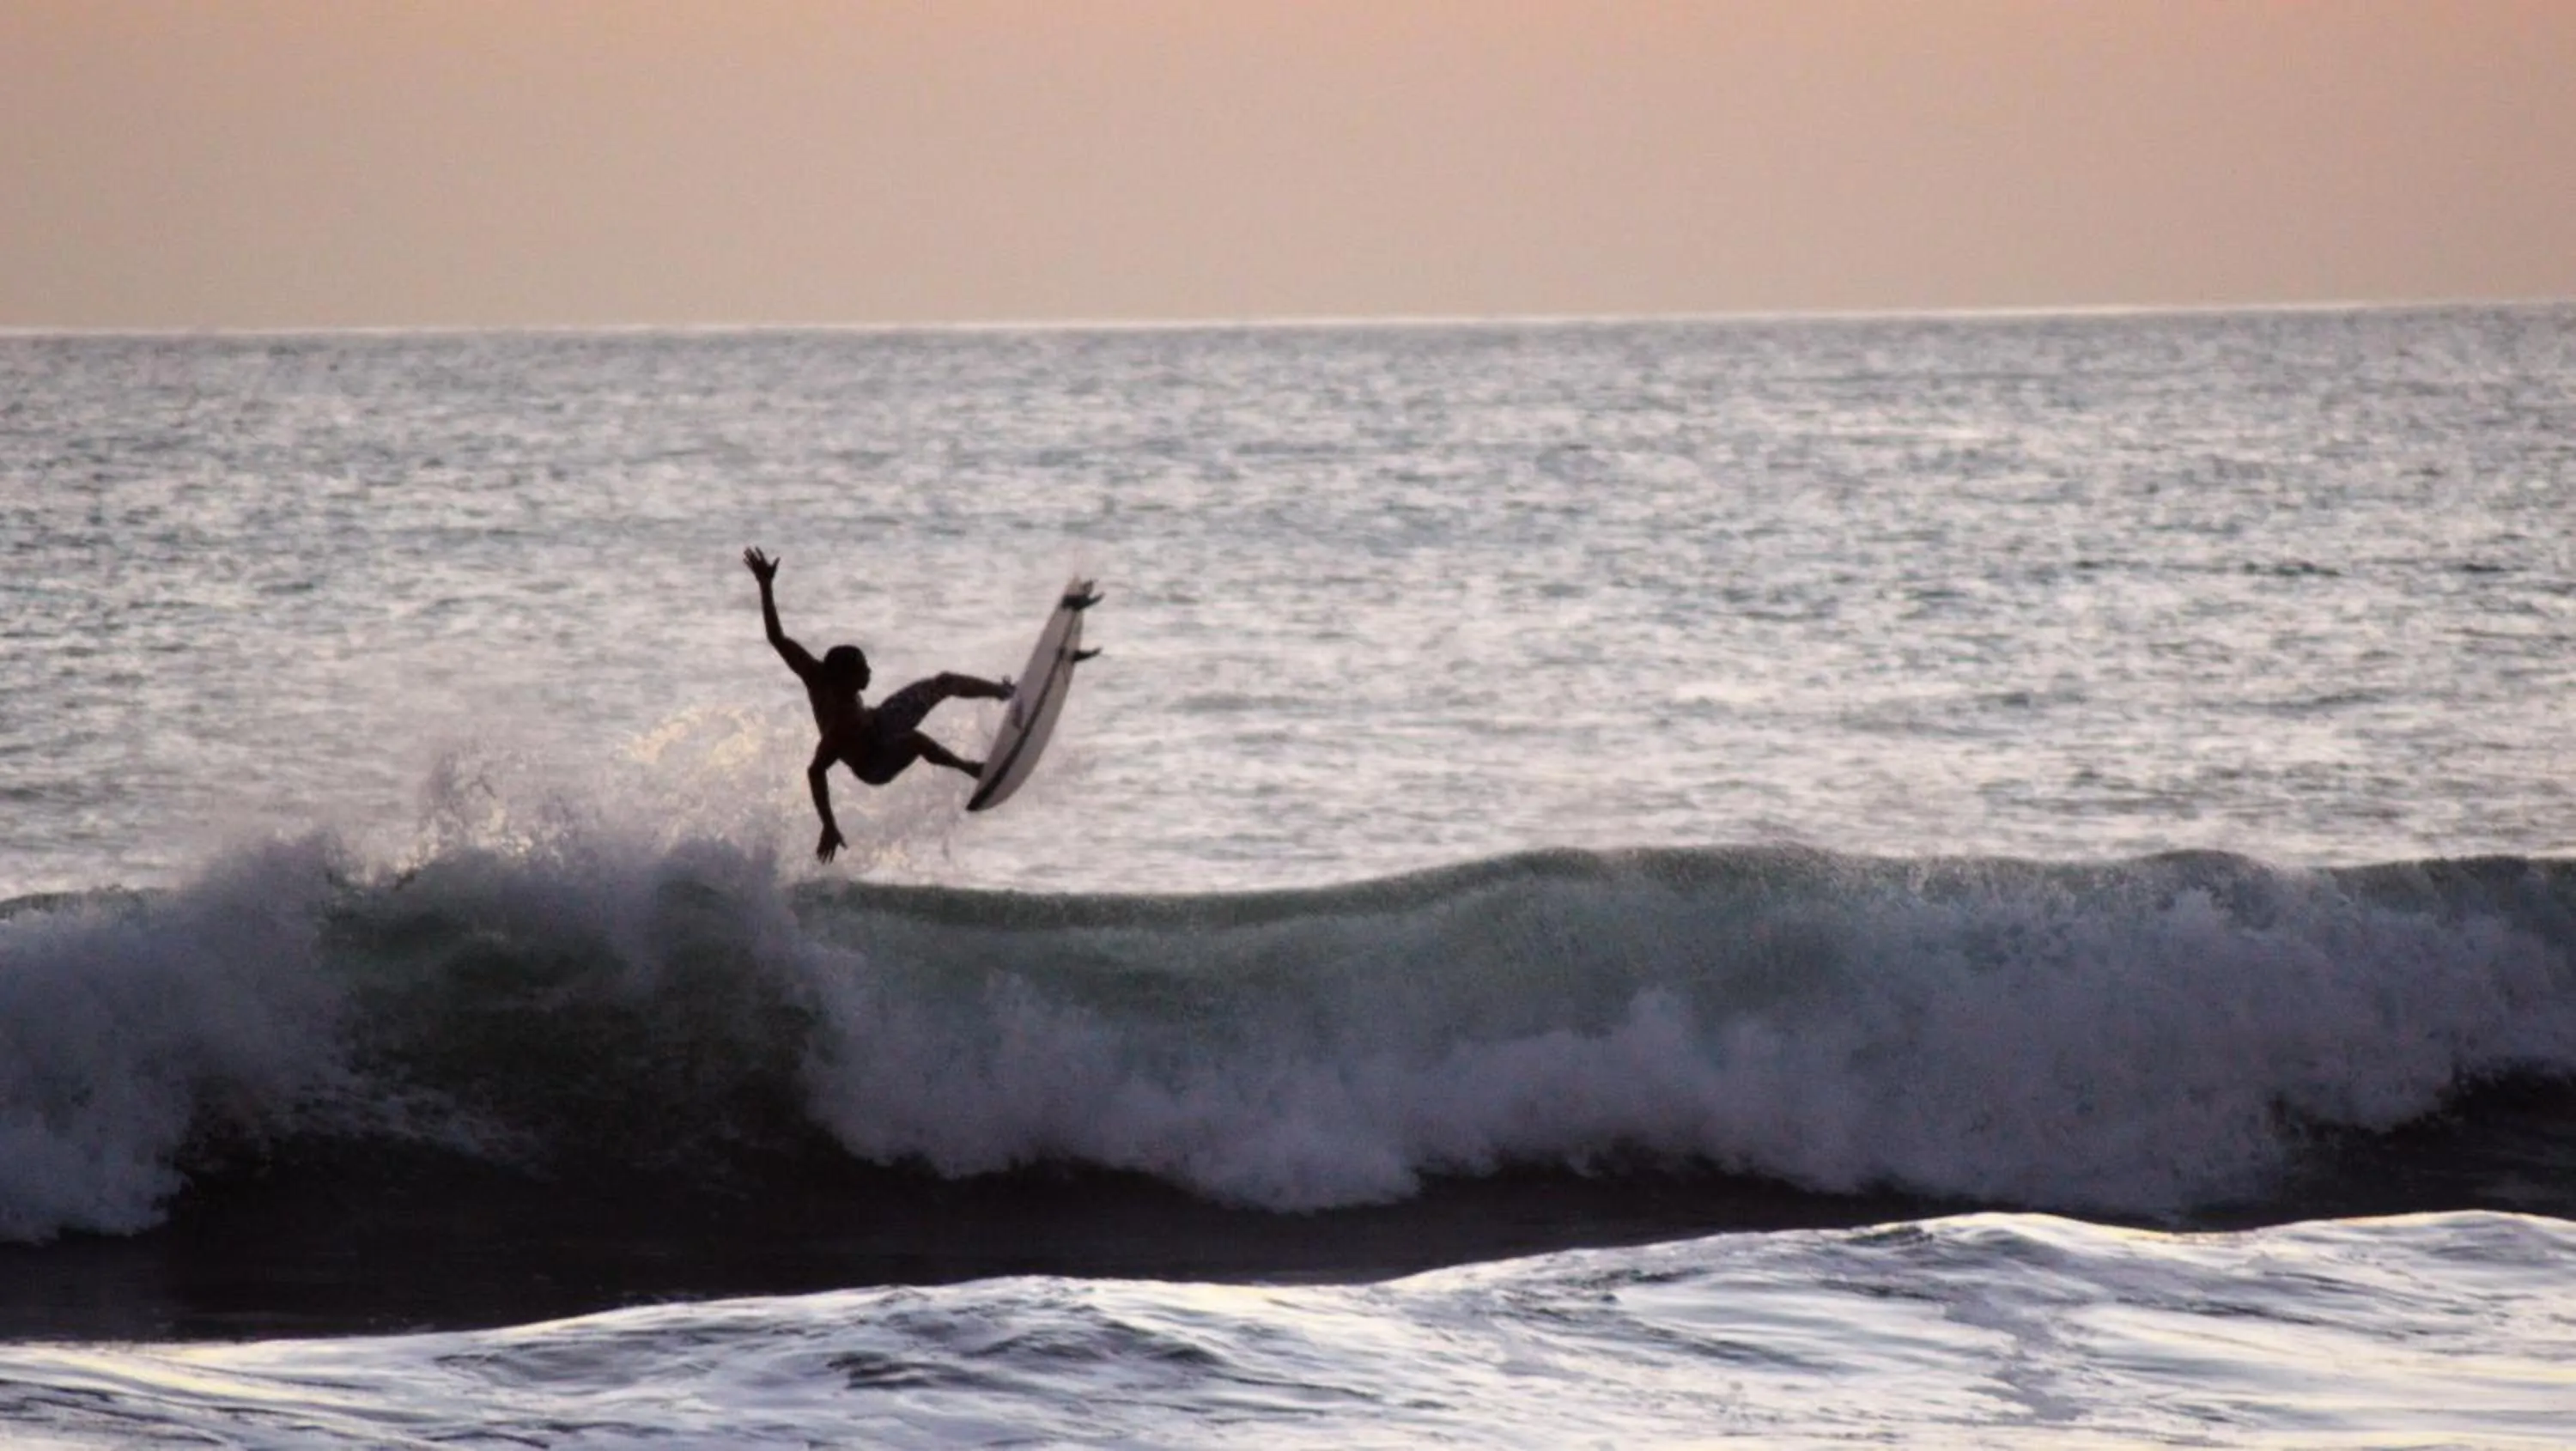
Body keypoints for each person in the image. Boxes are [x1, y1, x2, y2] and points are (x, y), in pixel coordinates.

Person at [743, 547, 1012, 862]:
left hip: (880, 722)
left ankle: (1005, 691)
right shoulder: (842, 726)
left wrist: (765, 586)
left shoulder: (815, 672)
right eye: (863, 670)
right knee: (914, 741)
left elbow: (777, 638)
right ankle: (971, 770)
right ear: (846, 679)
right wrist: (829, 824)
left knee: (943, 682)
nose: (870, 672)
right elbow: (816, 770)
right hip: (873, 762)